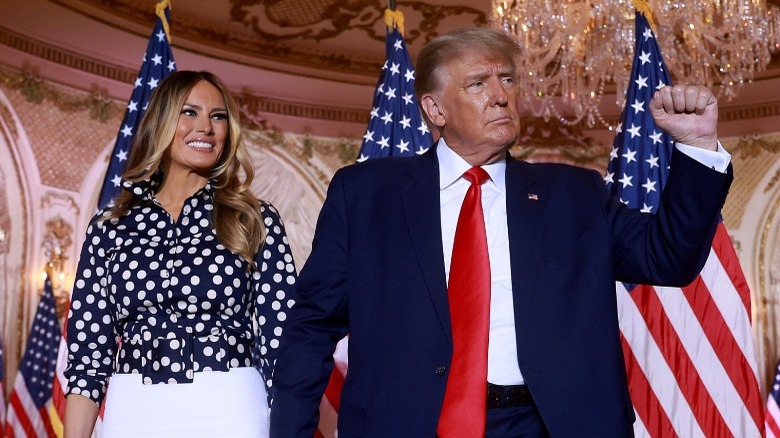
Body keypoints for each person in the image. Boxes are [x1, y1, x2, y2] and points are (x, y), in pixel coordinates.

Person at [269, 26, 732, 437]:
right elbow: (311, 325)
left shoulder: (576, 195)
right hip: (409, 423)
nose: (500, 95)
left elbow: (668, 258)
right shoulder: (366, 194)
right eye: (478, 83)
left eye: (507, 79)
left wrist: (696, 148)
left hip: (548, 423)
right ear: (434, 108)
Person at [63, 70, 296, 438]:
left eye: (217, 116)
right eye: (189, 112)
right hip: (133, 410)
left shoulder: (253, 218)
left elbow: (282, 342)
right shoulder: (110, 226)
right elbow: (88, 358)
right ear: (162, 122)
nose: (205, 127)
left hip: (231, 408)